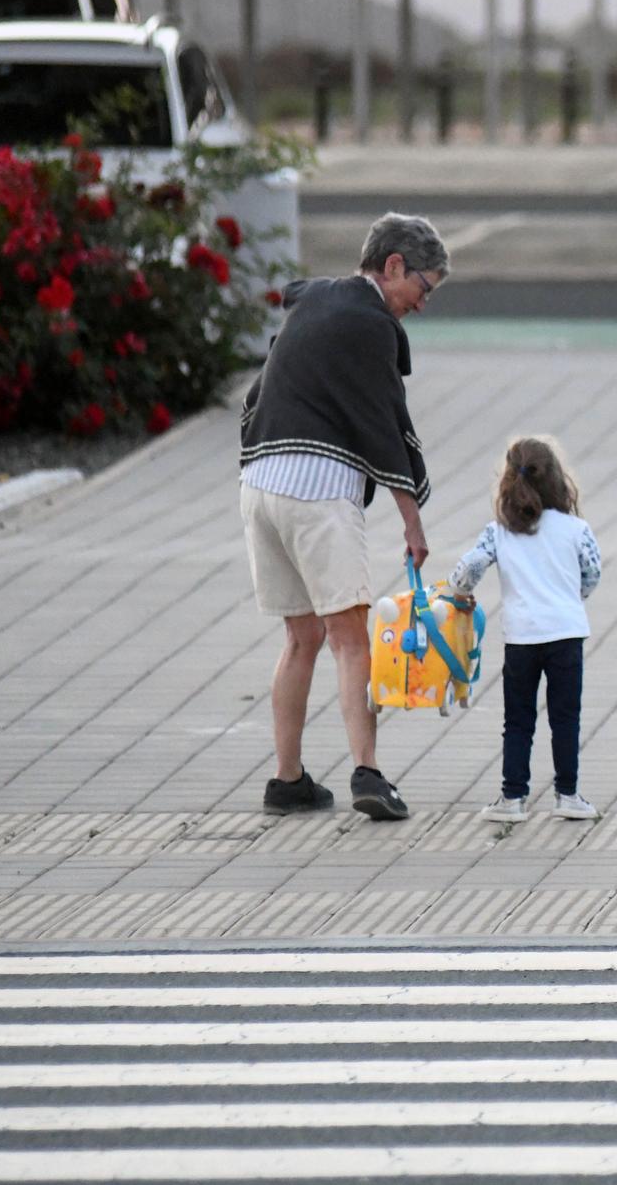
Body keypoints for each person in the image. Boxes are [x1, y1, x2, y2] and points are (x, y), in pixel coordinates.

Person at [239, 212, 446, 822]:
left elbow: (256, 397)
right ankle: (369, 774)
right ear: (392, 266)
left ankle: (288, 780)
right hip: (316, 492)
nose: (422, 304)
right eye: (423, 288)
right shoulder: (370, 322)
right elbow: (383, 421)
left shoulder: (312, 304)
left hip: (259, 486)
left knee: (301, 638)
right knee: (351, 641)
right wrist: (412, 521)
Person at [448, 437, 603, 824]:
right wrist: (571, 596)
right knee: (566, 716)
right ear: (557, 481)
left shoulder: (499, 532)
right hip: (566, 632)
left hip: (521, 636)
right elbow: (592, 573)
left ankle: (512, 796)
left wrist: (460, 593)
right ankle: (568, 794)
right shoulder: (575, 528)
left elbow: (467, 571)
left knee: (518, 719)